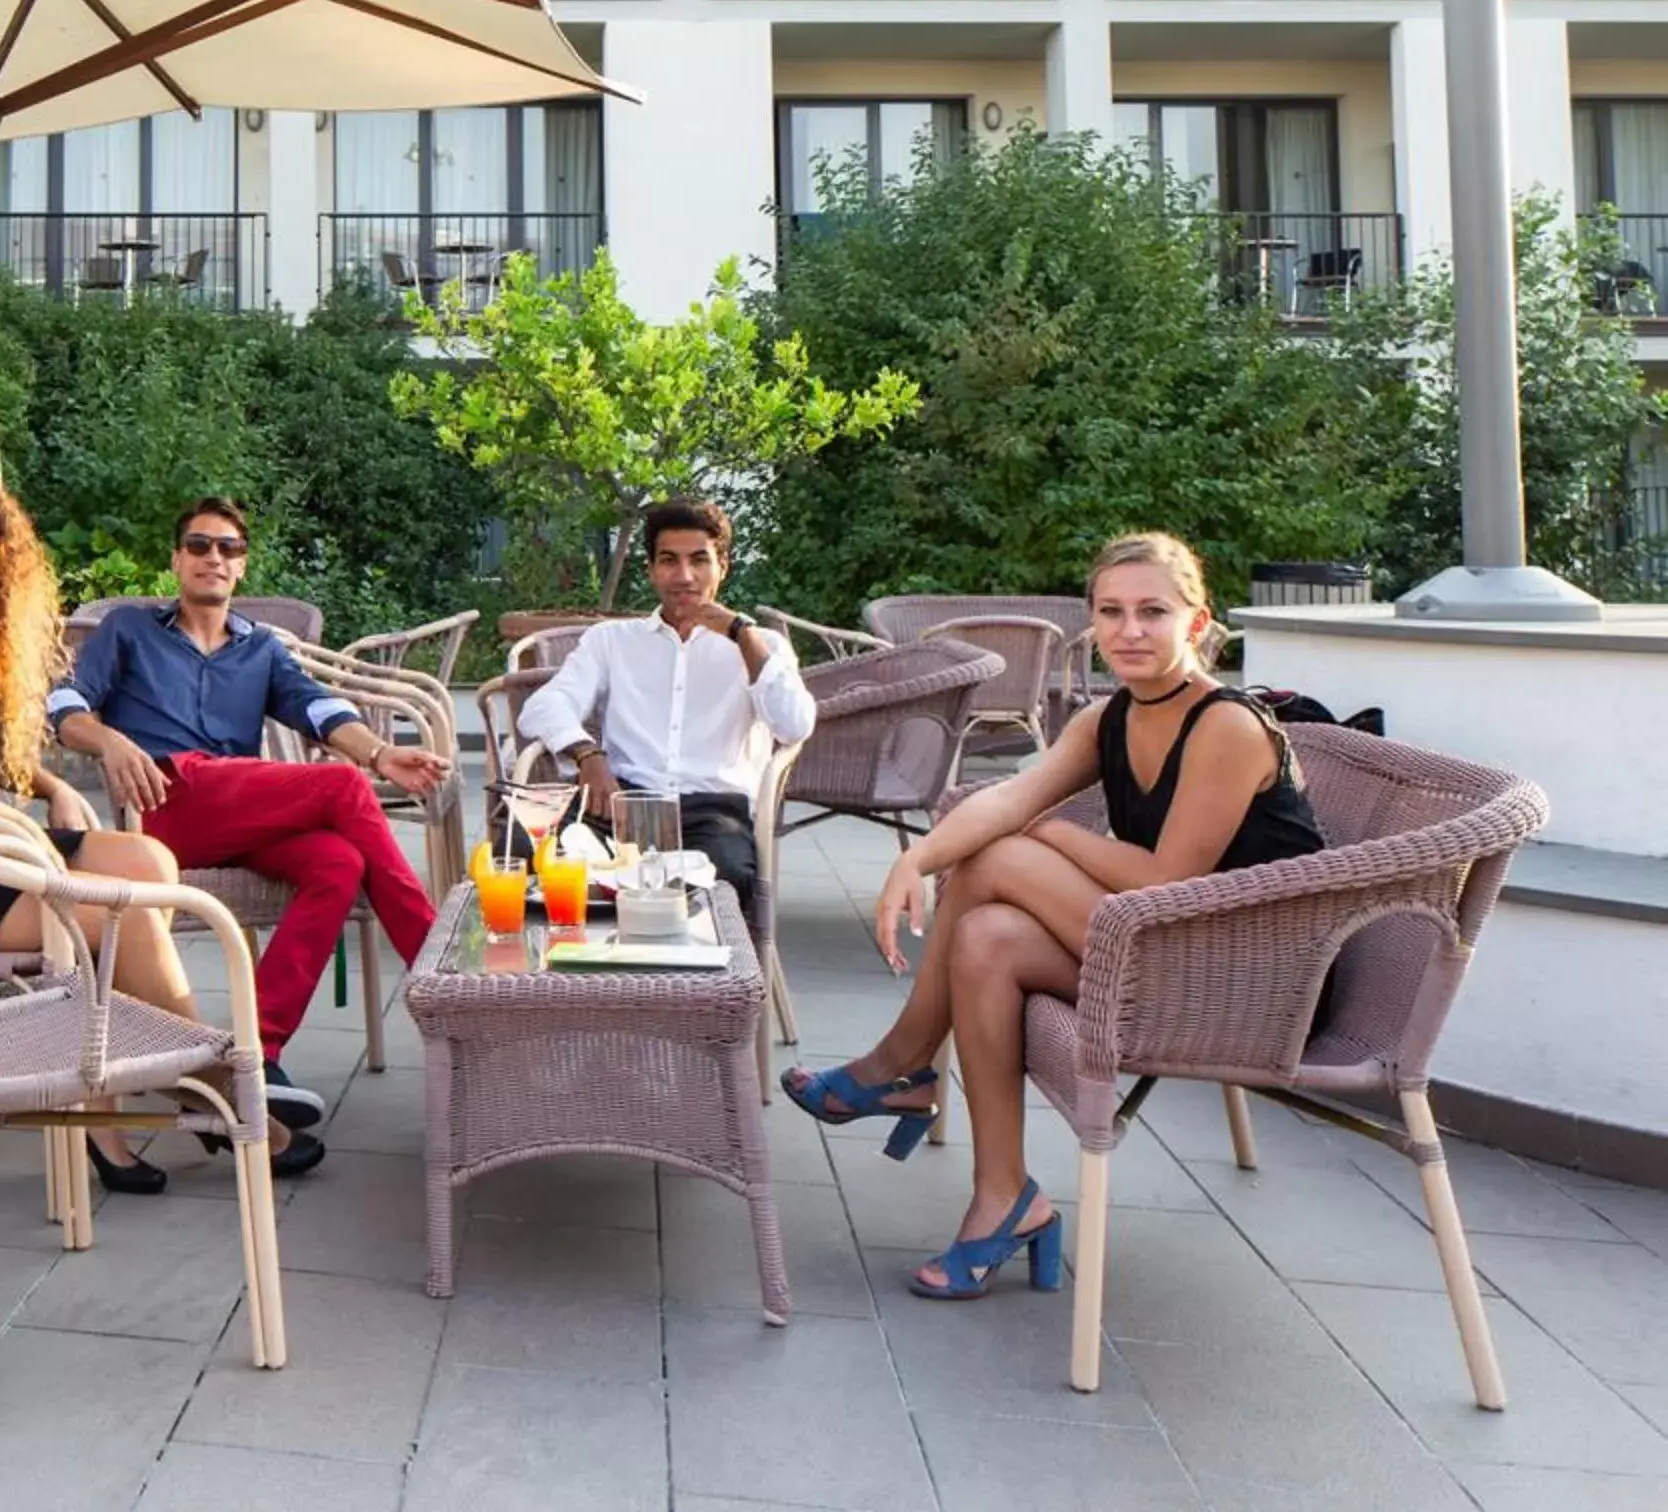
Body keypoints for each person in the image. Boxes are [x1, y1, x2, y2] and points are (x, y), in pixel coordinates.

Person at [782, 531, 1324, 1301]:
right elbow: (1008, 798)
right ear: (1091, 622)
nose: (1129, 630)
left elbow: (1169, 877)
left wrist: (1061, 834)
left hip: (1246, 976)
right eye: (1111, 611)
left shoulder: (1226, 726)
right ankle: (1005, 1197)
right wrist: (914, 860)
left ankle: (901, 1063)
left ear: (1197, 625)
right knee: (984, 938)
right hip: (1166, 944)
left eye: (1153, 612)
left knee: (1004, 857)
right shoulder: (1110, 719)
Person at [0, 463, 268, 1197]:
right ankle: (204, 1081)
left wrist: (52, 788)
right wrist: (13, 824)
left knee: (149, 860)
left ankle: (142, 1087)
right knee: (121, 916)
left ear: (4, 548)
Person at [48, 496, 453, 1176]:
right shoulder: (128, 630)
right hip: (167, 804)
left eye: (228, 549)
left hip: (238, 808)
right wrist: (111, 741)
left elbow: (321, 709)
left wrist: (378, 750)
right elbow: (65, 706)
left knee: (339, 860)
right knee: (345, 787)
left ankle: (255, 1051)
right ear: (177, 559)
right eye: (200, 546)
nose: (214, 558)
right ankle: (440, 973)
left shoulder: (261, 648)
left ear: (242, 565)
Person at [515, 496, 817, 907]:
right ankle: (548, 967)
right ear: (651, 570)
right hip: (619, 803)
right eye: (669, 560)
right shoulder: (613, 641)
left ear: (722, 567)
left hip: (712, 813)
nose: (685, 576)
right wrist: (588, 755)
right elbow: (543, 707)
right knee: (521, 848)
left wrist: (743, 634)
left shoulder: (762, 646)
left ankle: (697, 972)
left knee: (723, 883)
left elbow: (794, 724)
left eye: (699, 560)